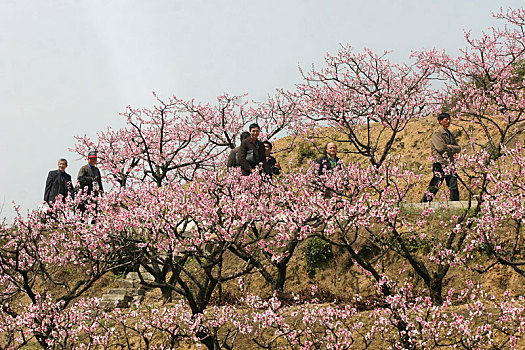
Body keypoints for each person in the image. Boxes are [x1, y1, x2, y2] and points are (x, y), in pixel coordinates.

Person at [421, 112, 461, 202]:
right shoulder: (437, 134)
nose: (448, 121)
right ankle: (424, 203)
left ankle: (455, 204)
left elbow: (458, 148)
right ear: (440, 121)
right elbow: (441, 148)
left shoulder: (450, 134)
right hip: (439, 162)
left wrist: (449, 147)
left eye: (449, 119)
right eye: (446, 119)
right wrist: (451, 148)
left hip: (449, 163)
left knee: (453, 184)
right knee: (435, 185)